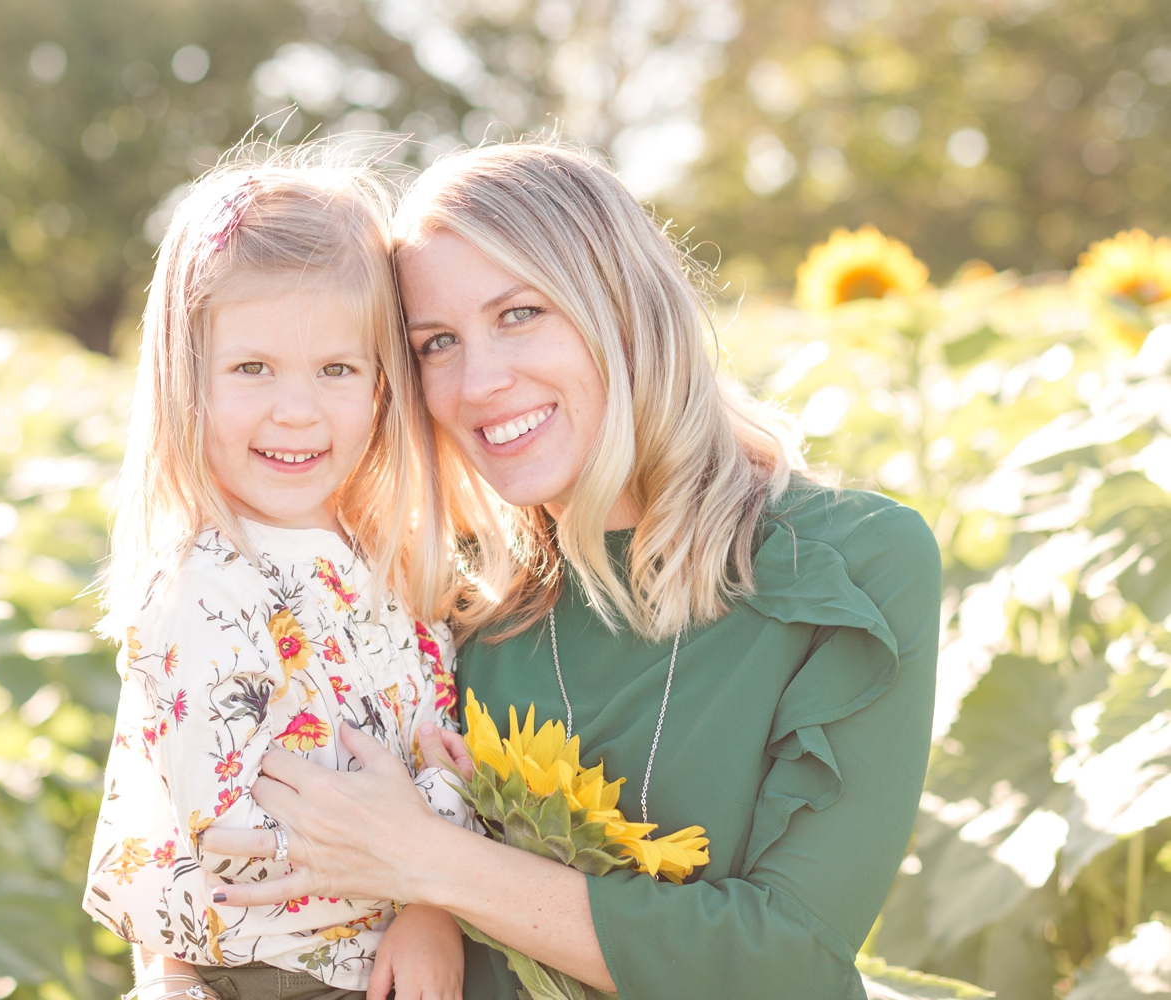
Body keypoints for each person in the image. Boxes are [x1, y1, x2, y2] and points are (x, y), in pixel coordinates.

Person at [201, 141, 942, 1000]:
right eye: (437, 343)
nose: (479, 381)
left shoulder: (853, 563)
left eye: (520, 314)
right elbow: (198, 860)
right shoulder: (445, 593)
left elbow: (788, 965)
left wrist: (433, 865)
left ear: (623, 307)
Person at [83, 155, 475, 1000]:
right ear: (188, 379)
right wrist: (421, 859)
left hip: (382, 951)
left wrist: (434, 893)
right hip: (266, 971)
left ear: (381, 386)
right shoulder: (207, 583)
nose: (295, 409)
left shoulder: (385, 560)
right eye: (252, 368)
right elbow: (228, 825)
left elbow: (443, 740)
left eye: (336, 369)